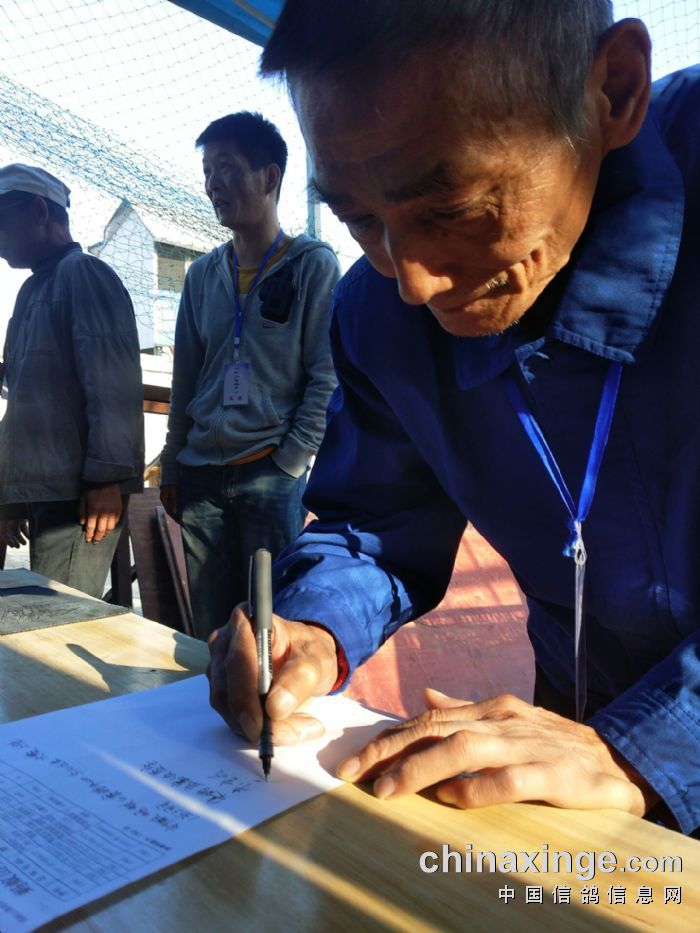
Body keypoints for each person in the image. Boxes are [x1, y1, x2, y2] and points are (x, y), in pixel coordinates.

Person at [206, 1, 700, 836]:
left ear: (613, 89)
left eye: (451, 207)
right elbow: (376, 520)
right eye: (360, 218)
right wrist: (314, 625)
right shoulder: (377, 317)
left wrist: (650, 744)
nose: (412, 281)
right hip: (573, 740)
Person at [159, 112, 340, 641]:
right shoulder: (201, 275)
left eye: (227, 168)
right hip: (200, 478)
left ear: (270, 177)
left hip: (269, 474)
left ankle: (268, 704)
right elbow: (185, 380)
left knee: (269, 632)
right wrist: (172, 462)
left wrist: (289, 462)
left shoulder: (312, 265)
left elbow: (326, 375)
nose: (213, 184)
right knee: (211, 633)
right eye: (207, 171)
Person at [0, 164, 144, 598]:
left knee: (59, 618)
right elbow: (23, 404)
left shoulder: (84, 273)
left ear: (39, 211)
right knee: (40, 612)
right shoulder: (31, 291)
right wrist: (11, 496)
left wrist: (106, 480)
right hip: (43, 491)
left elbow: (113, 386)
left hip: (80, 498)